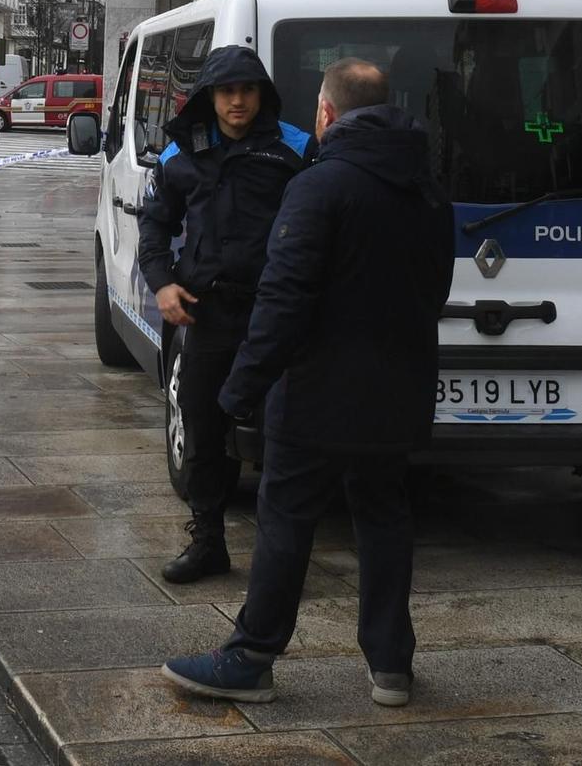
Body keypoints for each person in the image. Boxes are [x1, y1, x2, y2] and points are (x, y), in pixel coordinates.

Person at [162, 58, 455, 710]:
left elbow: (283, 299)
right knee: (382, 515)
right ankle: (391, 665)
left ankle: (251, 654)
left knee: (285, 511)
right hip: (397, 387)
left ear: (326, 112)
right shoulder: (428, 189)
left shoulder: (321, 186)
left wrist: (240, 389)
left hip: (318, 390)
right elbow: (434, 289)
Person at [136, 46, 314, 585]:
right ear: (209, 96)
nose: (237, 101)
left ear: (262, 95)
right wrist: (162, 283)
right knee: (203, 428)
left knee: (287, 436)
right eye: (226, 91)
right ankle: (208, 541)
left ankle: (282, 559)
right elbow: (154, 225)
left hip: (275, 315)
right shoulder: (181, 152)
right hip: (206, 313)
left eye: (247, 90)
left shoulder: (296, 148)